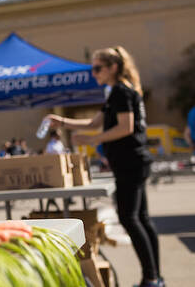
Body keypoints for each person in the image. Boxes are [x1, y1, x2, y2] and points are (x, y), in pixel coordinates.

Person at [45, 46, 163, 287]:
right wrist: (64, 122)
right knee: (141, 218)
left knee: (130, 218)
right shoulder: (118, 91)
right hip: (134, 161)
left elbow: (125, 127)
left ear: (113, 68)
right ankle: (154, 277)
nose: (94, 73)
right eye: (93, 68)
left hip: (130, 161)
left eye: (98, 68)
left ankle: (151, 278)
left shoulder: (120, 90)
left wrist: (92, 139)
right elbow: (94, 122)